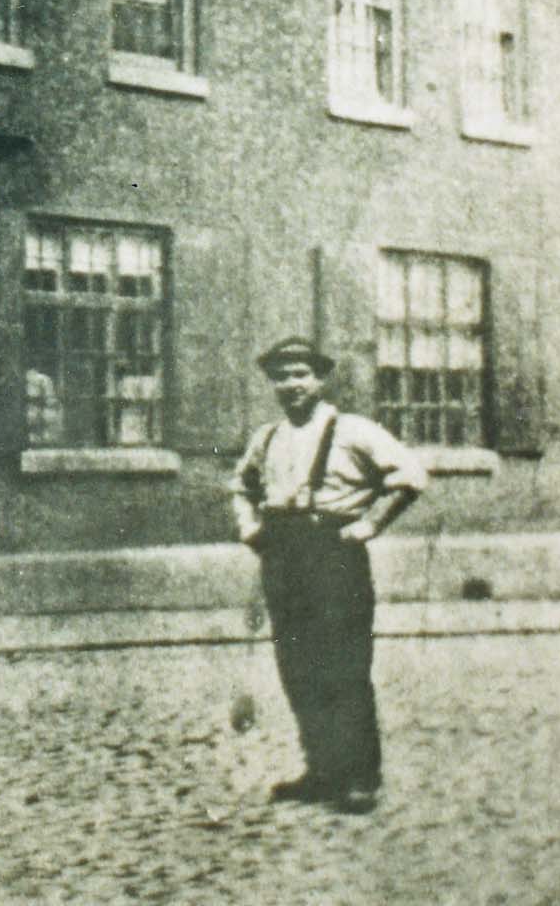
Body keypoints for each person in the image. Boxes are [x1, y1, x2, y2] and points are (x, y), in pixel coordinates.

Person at [230, 335, 428, 814]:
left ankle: (361, 776)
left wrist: (369, 525)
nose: (291, 384)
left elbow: (410, 478)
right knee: (298, 668)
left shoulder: (354, 430)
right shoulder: (268, 437)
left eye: (300, 374)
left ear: (319, 379)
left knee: (343, 664)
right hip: (283, 555)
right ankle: (321, 770)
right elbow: (240, 485)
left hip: (334, 553)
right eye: (281, 376)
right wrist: (249, 526)